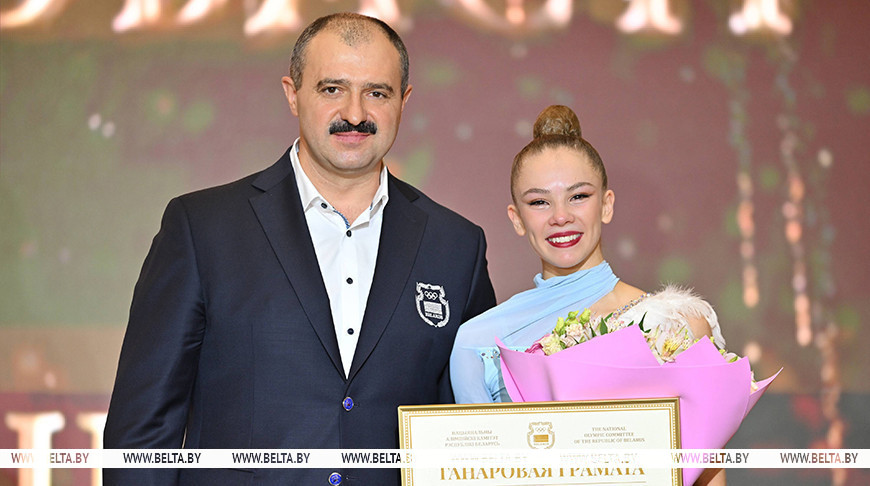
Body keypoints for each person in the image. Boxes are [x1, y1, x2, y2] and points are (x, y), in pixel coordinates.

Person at [104, 12, 496, 486]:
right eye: (332, 89)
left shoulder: (455, 245)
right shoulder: (203, 228)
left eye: (377, 93)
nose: (355, 113)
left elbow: (476, 434)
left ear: (404, 100)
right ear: (292, 94)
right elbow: (142, 434)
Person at [449, 105, 725, 485]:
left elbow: (706, 473)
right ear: (517, 218)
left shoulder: (673, 325)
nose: (560, 216)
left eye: (578, 196)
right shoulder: (475, 342)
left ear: (606, 205)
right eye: (539, 202)